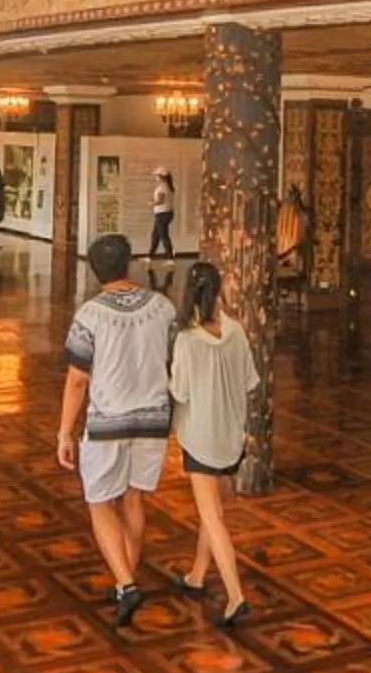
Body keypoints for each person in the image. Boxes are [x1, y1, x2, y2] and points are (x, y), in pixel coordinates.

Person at [55, 234, 178, 627]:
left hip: (108, 422)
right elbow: (174, 359)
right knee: (134, 499)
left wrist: (64, 432)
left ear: (95, 270)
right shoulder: (162, 307)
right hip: (153, 419)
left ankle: (126, 583)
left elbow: (77, 379)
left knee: (100, 502)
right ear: (130, 263)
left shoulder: (91, 315)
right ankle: (127, 578)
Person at [168, 261, 255, 628]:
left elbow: (180, 391)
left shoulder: (187, 340)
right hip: (231, 435)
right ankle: (197, 575)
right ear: (219, 291)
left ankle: (236, 596)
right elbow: (250, 381)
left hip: (201, 437)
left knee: (211, 516)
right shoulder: (236, 331)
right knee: (212, 510)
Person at [149, 168, 177, 260]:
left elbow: (160, 201)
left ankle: (170, 257)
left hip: (162, 214)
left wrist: (151, 203)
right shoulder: (168, 186)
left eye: (157, 176)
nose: (155, 177)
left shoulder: (162, 187)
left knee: (163, 235)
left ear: (161, 177)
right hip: (166, 213)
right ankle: (150, 255)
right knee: (155, 235)